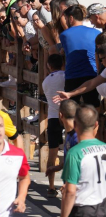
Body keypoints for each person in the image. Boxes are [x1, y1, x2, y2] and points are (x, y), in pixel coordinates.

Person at [56, 105, 106, 217]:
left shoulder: (75, 153)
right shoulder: (105, 148)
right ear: (96, 124)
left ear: (75, 124)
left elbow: (70, 191)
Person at [59, 5, 101, 107]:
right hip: (92, 74)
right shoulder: (96, 32)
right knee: (93, 107)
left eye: (65, 19)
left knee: (70, 109)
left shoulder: (64, 34)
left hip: (72, 75)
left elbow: (65, 50)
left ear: (71, 18)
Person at [41, 54, 65, 197]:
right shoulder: (66, 75)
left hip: (53, 117)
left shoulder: (45, 82)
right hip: (67, 116)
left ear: (49, 66)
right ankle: (65, 185)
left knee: (52, 153)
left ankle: (51, 187)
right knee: (69, 152)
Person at [45, 100, 79, 178]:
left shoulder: (77, 137)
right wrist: (57, 167)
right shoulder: (71, 134)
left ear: (60, 115)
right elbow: (69, 158)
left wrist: (70, 186)